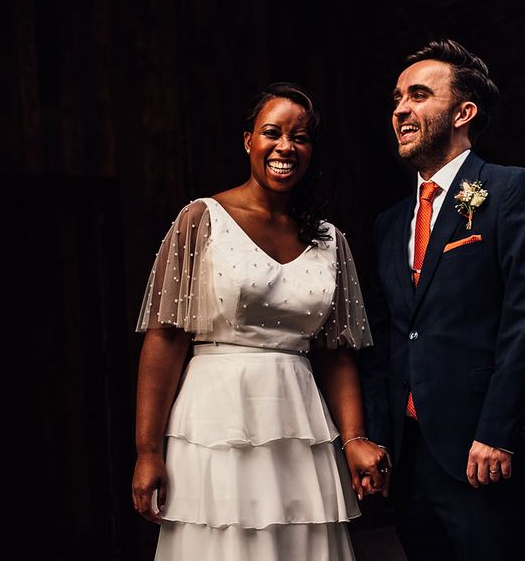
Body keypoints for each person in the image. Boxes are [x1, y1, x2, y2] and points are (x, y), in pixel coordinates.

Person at [131, 82, 391, 560]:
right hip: (215, 423)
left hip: (299, 422)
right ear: (248, 140)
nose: (286, 147)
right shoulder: (201, 218)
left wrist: (353, 438)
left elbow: (336, 353)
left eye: (302, 137)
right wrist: (147, 450)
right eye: (272, 133)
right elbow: (165, 338)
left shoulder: (329, 239)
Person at [360, 40, 525, 560]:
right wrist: (380, 438)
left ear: (463, 112)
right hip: (410, 458)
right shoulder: (389, 224)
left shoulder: (512, 190)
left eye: (419, 95)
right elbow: (385, 338)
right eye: (397, 99)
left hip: (482, 449)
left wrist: (498, 432)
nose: (401, 109)